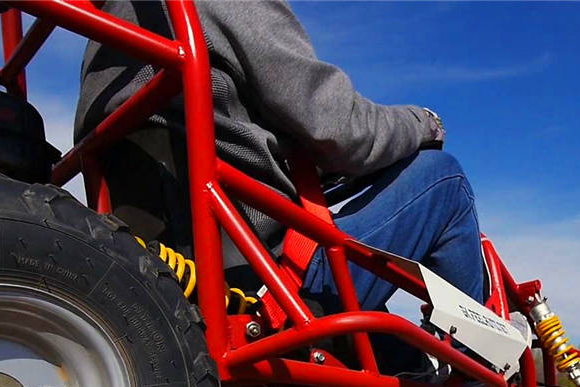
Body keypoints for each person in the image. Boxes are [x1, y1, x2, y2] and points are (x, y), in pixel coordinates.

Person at [76, 0, 486, 315]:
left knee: (399, 355)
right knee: (442, 179)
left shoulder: (108, 29)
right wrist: (426, 123)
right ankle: (482, 355)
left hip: (167, 263)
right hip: (266, 283)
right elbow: (342, 130)